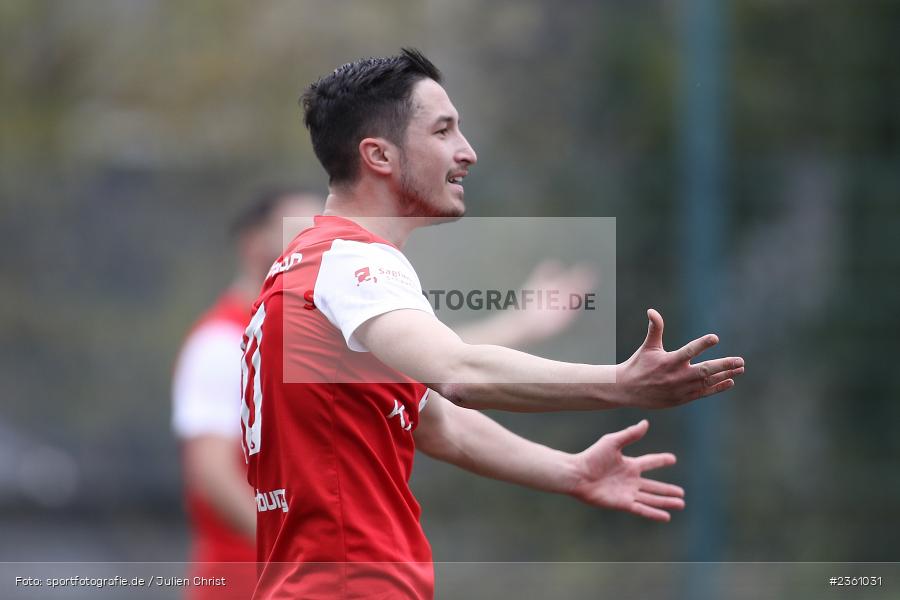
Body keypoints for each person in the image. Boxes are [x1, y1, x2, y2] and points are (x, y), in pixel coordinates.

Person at [242, 49, 745, 599]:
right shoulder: (350, 261)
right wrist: (623, 384)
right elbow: (460, 373)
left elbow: (439, 424)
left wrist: (572, 472)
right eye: (443, 130)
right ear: (379, 155)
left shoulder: (308, 267)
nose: (468, 152)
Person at [171, 186, 322, 600]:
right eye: (299, 230)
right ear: (254, 243)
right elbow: (214, 474)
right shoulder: (221, 341)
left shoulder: (303, 340)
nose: (315, 244)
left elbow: (430, 365)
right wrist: (299, 554)